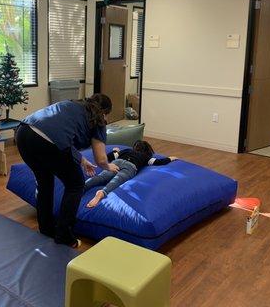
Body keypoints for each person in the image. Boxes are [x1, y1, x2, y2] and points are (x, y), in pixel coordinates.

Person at [15, 94, 119, 247]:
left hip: (23, 133)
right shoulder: (98, 120)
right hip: (47, 141)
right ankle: (64, 234)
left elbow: (60, 133)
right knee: (75, 184)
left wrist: (82, 160)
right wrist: (109, 166)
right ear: (105, 112)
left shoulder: (71, 104)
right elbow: (101, 159)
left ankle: (46, 229)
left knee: (45, 183)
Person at [84, 140, 177, 208]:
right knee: (116, 181)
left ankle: (83, 186)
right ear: (148, 151)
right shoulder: (145, 157)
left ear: (134, 148)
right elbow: (159, 162)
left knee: (101, 177)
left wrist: (115, 151)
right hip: (131, 167)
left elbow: (109, 156)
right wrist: (170, 158)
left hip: (117, 162)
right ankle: (101, 193)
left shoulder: (127, 151)